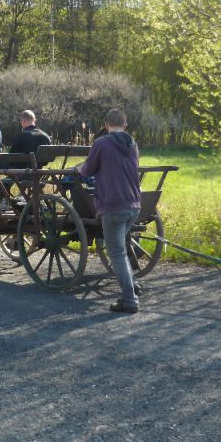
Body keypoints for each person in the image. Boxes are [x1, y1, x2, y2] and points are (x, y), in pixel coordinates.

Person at [74, 109, 142, 314]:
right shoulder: (133, 145)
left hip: (113, 206)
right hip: (133, 206)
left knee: (117, 254)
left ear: (106, 124)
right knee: (121, 248)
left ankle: (129, 300)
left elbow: (88, 170)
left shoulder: (101, 143)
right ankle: (132, 285)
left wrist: (78, 169)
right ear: (125, 125)